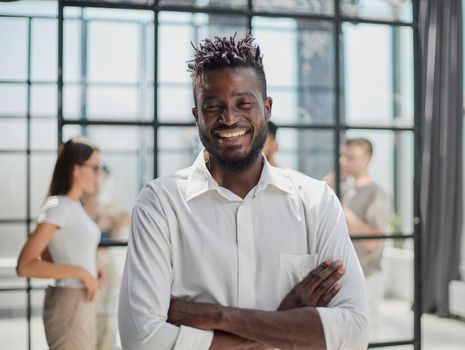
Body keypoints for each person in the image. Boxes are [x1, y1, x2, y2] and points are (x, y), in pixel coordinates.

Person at [118, 34, 368, 350]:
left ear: (267, 108)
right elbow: (142, 340)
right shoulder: (160, 205)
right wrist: (284, 321)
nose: (229, 118)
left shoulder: (315, 201)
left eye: (243, 103)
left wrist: (218, 316)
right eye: (213, 106)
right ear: (197, 115)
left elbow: (355, 332)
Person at [16, 136, 105, 350]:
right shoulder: (59, 207)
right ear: (75, 169)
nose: (98, 175)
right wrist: (81, 272)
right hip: (69, 302)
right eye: (94, 168)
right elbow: (25, 265)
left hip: (79, 302)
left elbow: (51, 255)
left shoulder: (73, 207)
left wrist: (92, 272)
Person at [337, 138, 393, 334]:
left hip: (367, 275)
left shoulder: (377, 194)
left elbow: (372, 241)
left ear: (366, 159)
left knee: (368, 332)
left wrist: (343, 211)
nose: (344, 161)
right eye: (343, 156)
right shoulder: (344, 188)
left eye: (350, 157)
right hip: (345, 275)